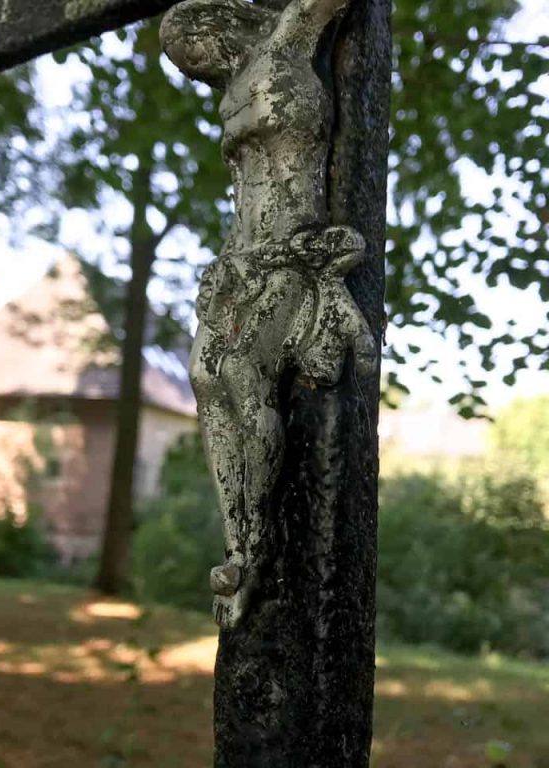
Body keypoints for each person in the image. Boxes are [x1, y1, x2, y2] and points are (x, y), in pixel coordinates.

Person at [161, 0, 376, 628]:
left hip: (295, 250)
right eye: (186, 64)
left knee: (241, 375)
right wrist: (225, 264)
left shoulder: (288, 41)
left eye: (193, 50)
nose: (196, 66)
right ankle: (237, 536)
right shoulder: (231, 95)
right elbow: (245, 191)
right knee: (203, 374)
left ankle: (251, 547)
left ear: (216, 24)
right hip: (242, 257)